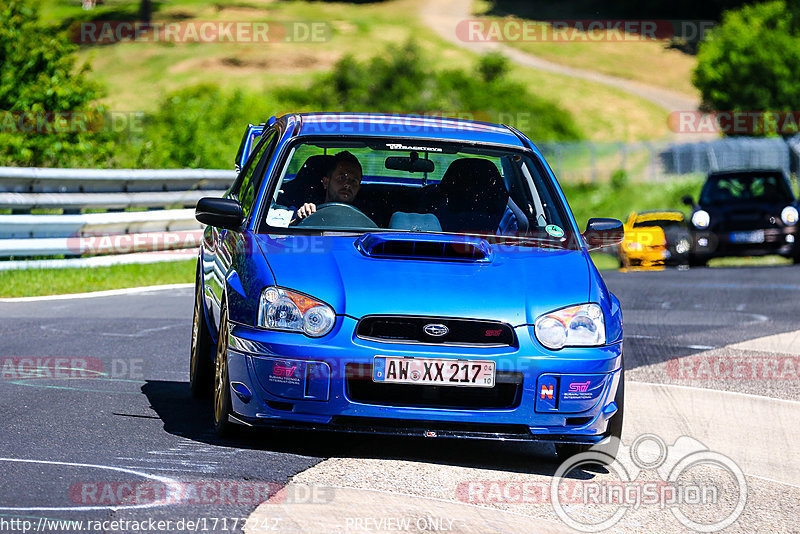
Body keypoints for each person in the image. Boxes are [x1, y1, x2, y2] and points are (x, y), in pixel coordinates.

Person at [295, 151, 363, 220]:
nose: (348, 184)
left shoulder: (366, 221)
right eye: (341, 178)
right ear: (326, 182)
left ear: (358, 188)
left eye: (354, 181)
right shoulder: (308, 211)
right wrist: (301, 218)